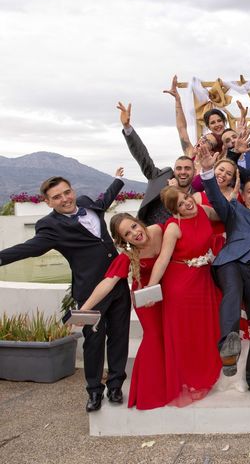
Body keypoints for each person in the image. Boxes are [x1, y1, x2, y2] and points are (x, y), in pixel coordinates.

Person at [0, 172, 131, 412]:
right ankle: (94, 391)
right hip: (90, 291)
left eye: (66, 192)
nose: (65, 199)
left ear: (73, 190)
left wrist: (117, 181)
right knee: (93, 343)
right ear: (48, 202)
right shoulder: (51, 226)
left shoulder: (84, 202)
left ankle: (115, 386)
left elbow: (103, 202)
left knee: (120, 337)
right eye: (57, 197)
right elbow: (27, 249)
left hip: (118, 283)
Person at [198, 147, 250, 400]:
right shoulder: (234, 209)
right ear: (241, 193)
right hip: (230, 262)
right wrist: (208, 171)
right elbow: (216, 200)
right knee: (232, 291)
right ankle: (228, 347)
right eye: (249, 191)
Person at [79, 213, 166, 410]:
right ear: (123, 240)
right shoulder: (128, 256)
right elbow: (108, 283)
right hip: (145, 298)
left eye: (134, 226)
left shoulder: (159, 231)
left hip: (167, 293)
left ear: (140, 222)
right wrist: (85, 308)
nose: (135, 233)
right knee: (153, 337)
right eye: (127, 233)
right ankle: (148, 388)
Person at [147, 187, 224, 407]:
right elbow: (163, 260)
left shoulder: (204, 211)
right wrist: (151, 288)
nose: (188, 204)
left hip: (204, 281)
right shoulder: (173, 227)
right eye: (181, 204)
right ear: (174, 210)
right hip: (180, 285)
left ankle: (208, 371)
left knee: (205, 330)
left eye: (187, 198)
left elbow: (224, 215)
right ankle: (190, 379)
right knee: (186, 333)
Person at [117, 102, 210, 224]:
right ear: (174, 170)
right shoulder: (160, 177)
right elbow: (142, 156)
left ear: (194, 172)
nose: (182, 172)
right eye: (179, 168)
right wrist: (127, 127)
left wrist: (176, 192)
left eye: (187, 168)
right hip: (150, 233)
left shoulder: (195, 196)